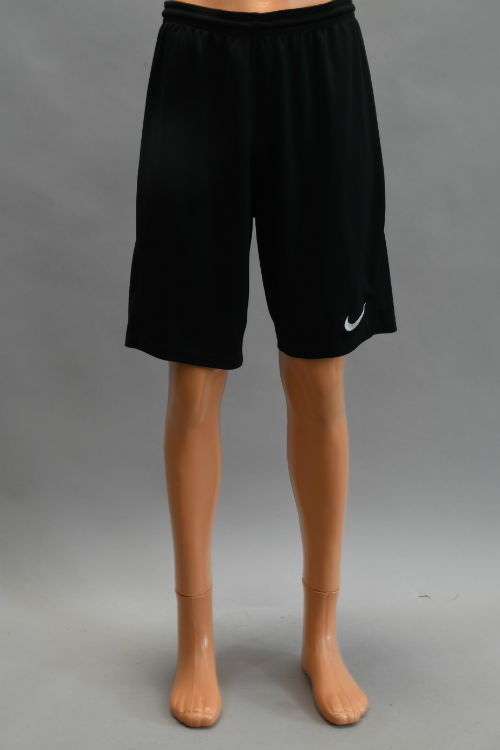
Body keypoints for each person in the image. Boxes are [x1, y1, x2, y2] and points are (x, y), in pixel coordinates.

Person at [125, 0, 397, 727]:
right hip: (199, 55)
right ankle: (196, 639)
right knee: (192, 376)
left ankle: (321, 636)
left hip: (319, 54)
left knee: (321, 375)